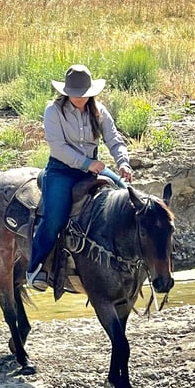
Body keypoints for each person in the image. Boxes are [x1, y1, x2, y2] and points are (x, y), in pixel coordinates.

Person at [26, 64, 133, 291]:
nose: (80, 99)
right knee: (54, 216)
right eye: (76, 95)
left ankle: (130, 256)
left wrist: (123, 163)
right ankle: (35, 267)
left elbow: (113, 139)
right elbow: (58, 148)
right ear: (66, 93)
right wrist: (88, 163)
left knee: (127, 195)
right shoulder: (53, 111)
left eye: (83, 95)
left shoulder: (99, 111)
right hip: (61, 170)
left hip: (92, 168)